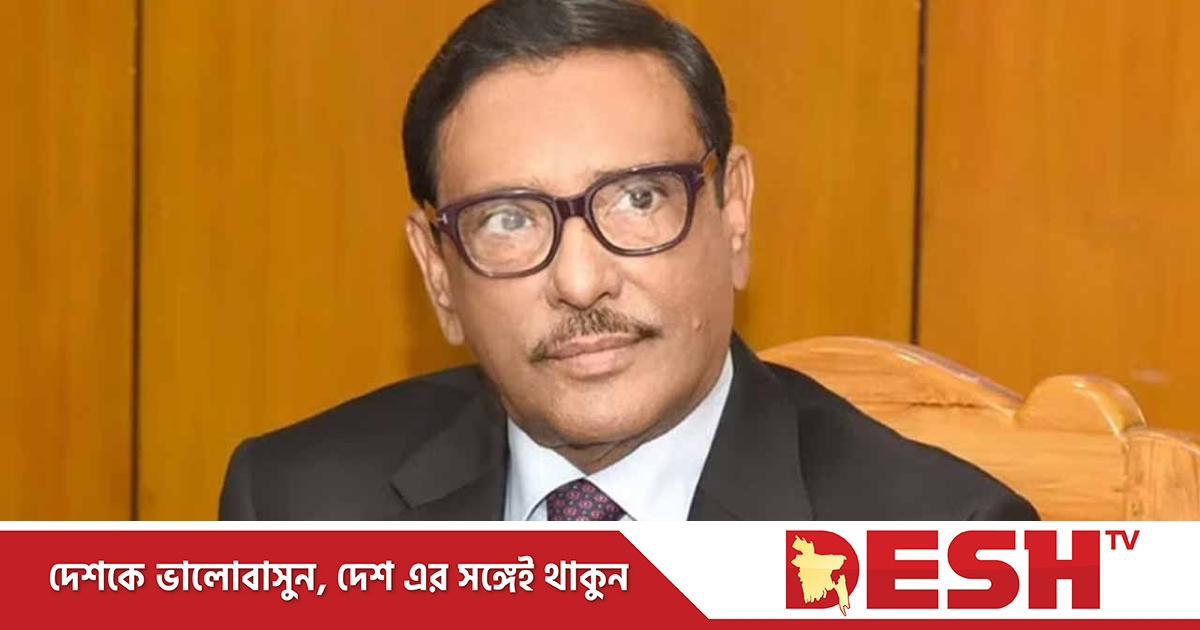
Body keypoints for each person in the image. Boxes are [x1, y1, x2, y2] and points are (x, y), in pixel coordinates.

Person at [219, 0, 1037, 521]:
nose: (581, 282)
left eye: (638, 199)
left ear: (734, 211)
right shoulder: (294, 509)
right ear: (438, 274)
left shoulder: (943, 546)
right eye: (509, 219)